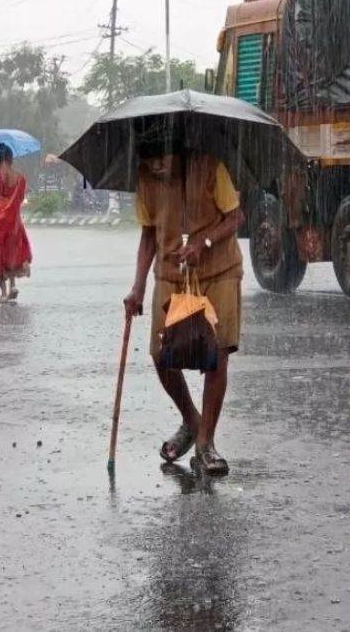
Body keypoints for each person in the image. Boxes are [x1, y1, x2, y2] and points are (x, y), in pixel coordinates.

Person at [124, 143, 244, 476]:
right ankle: (192, 421)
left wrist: (202, 243)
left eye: (162, 158)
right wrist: (137, 286)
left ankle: (206, 443)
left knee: (216, 354)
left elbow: (236, 217)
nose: (157, 167)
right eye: (149, 161)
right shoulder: (146, 180)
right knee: (161, 354)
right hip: (171, 273)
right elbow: (149, 234)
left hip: (218, 270)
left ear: (177, 151)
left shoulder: (209, 166)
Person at [0, 143, 32, 304]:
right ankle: (13, 285)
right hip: (14, 221)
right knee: (12, 252)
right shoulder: (20, 179)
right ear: (11, 158)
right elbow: (21, 199)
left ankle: (3, 293)